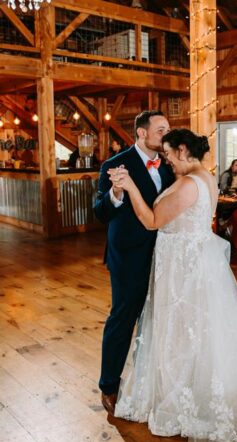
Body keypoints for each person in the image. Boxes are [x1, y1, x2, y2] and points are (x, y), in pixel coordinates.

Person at [106, 129, 237, 442]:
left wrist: (131, 188)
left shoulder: (187, 184)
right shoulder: (205, 177)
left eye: (169, 153)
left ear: (183, 150)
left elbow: (153, 220)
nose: (166, 158)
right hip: (190, 262)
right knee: (194, 331)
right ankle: (188, 390)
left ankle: (184, 400)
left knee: (181, 333)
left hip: (183, 269)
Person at [92, 110, 175, 415]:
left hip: (164, 255)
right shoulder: (114, 165)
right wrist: (115, 192)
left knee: (154, 319)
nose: (165, 135)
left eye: (168, 129)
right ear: (141, 133)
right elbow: (100, 213)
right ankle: (109, 385)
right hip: (128, 258)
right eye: (160, 130)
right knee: (122, 320)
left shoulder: (168, 164)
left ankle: (147, 380)